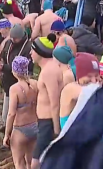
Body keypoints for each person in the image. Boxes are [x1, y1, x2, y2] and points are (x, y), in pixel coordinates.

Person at [31, 34, 62, 169]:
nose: (31, 53)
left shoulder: (48, 71)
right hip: (45, 122)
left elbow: (54, 101)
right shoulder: (49, 68)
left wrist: (56, 129)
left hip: (48, 122)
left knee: (36, 163)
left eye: (33, 51)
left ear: (39, 52)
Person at [0, 24, 32, 130]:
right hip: (7, 80)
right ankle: (6, 125)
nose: (13, 40)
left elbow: (26, 67)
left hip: (19, 81)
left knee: (15, 110)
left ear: (21, 36)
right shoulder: (9, 43)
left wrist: (4, 67)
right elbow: (3, 55)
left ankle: (11, 129)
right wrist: (0, 64)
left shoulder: (28, 47)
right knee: (7, 109)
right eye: (11, 37)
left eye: (15, 38)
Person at [3, 56, 38, 169]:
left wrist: (7, 134)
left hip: (20, 129)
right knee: (31, 161)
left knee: (19, 163)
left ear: (14, 71)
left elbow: (11, 113)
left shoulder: (14, 88)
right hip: (34, 125)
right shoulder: (35, 84)